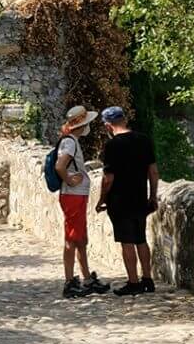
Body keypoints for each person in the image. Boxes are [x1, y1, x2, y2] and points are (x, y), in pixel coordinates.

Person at [96, 106, 159, 296]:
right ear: (125, 119)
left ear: (108, 126)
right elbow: (153, 172)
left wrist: (101, 200)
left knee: (127, 241)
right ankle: (147, 279)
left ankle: (133, 282)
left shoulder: (112, 146)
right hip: (140, 197)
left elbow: (108, 179)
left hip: (120, 200)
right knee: (141, 238)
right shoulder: (144, 140)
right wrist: (153, 195)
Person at [56, 105, 109, 299]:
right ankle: (70, 281)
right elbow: (60, 165)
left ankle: (85, 277)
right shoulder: (70, 143)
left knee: (79, 238)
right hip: (73, 195)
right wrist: (70, 179)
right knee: (72, 238)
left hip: (75, 195)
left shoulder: (70, 141)